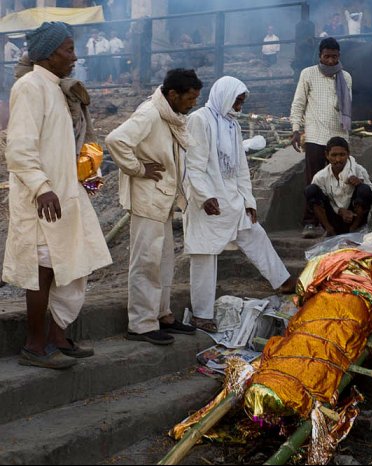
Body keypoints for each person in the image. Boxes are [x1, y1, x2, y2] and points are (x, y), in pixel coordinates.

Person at [3, 22, 112, 369]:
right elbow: (19, 148)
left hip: (66, 193)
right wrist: (42, 188)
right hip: (43, 198)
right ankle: (35, 346)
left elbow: (71, 146)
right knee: (44, 269)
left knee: (76, 263)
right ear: (49, 55)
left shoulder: (59, 90)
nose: (75, 57)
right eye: (68, 49)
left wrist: (83, 182)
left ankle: (58, 337)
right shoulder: (30, 87)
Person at [183, 76, 295, 333]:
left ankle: (282, 281)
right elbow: (194, 165)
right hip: (208, 201)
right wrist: (203, 196)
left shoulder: (232, 125)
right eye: (238, 101)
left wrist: (249, 201)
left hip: (232, 198)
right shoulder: (200, 120)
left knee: (255, 233)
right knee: (204, 254)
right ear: (225, 96)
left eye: (242, 102)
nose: (240, 107)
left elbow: (241, 169)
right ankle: (201, 314)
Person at [105, 69, 203, 346]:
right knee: (146, 262)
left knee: (163, 262)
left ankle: (162, 315)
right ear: (173, 94)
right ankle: (140, 324)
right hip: (148, 198)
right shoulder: (150, 112)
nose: (192, 103)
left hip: (162, 200)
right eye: (190, 98)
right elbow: (116, 140)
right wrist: (138, 168)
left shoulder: (169, 115)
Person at [290, 37, 353, 238]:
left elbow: (347, 107)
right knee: (314, 181)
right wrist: (296, 128)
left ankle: (338, 221)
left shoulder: (346, 77)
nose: (330, 61)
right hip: (316, 136)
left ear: (339, 56)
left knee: (341, 181)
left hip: (339, 137)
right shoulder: (308, 74)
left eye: (334, 57)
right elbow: (299, 102)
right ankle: (310, 222)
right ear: (320, 56)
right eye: (326, 56)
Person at [305, 136, 372, 236]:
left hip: (354, 218)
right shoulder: (320, 176)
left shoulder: (359, 170)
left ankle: (354, 229)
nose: (338, 159)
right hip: (333, 219)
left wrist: (360, 183)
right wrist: (339, 211)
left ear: (348, 154)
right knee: (311, 190)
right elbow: (318, 200)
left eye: (342, 155)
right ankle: (329, 230)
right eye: (334, 155)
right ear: (327, 155)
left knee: (364, 189)